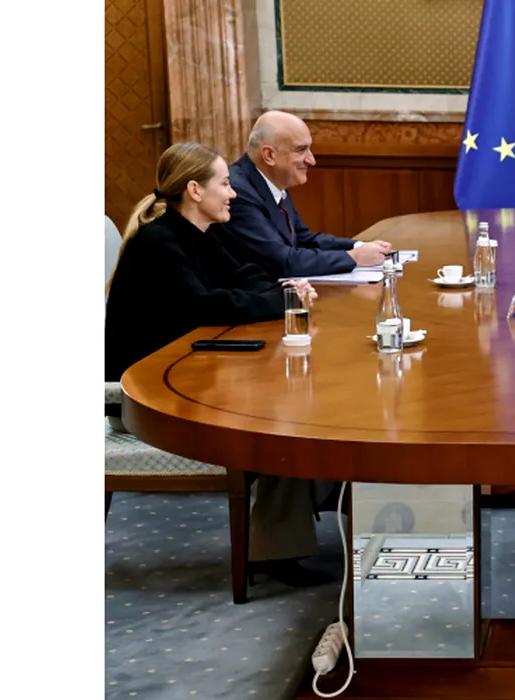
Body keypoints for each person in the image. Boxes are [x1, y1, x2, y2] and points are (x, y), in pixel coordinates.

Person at [106, 141, 335, 588]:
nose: (233, 193)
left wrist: (285, 289)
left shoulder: (199, 233)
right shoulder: (158, 242)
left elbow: (244, 277)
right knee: (284, 422)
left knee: (299, 405)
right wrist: (282, 303)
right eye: (225, 184)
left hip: (187, 376)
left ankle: (294, 523)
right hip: (144, 401)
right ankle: (278, 546)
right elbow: (204, 306)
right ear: (195, 190)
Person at [216, 110, 392, 278]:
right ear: (269, 155)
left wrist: (358, 246)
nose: (311, 160)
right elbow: (282, 262)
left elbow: (303, 239)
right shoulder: (238, 193)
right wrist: (354, 257)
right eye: (301, 150)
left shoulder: (272, 181)